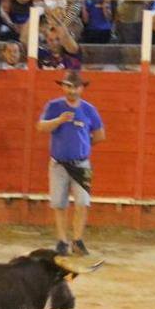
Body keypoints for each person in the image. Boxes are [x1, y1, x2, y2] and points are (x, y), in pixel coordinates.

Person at [36, 70, 105, 257]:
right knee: (59, 203)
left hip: (81, 164)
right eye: (68, 86)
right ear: (63, 87)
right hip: (58, 163)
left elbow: (100, 136)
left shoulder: (89, 109)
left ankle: (77, 240)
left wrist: (83, 145)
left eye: (75, 87)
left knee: (82, 202)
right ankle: (62, 241)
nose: (72, 91)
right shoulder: (54, 106)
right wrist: (58, 120)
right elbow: (41, 127)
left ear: (81, 89)